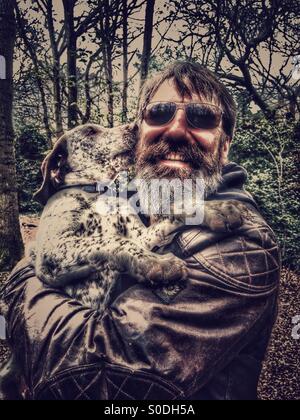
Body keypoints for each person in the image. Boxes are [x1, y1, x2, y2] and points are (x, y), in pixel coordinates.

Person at [0, 61, 280, 400]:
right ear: (140, 135)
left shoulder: (244, 245)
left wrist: (20, 286)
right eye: (158, 113)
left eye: (202, 117)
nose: (175, 130)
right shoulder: (123, 203)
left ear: (224, 148)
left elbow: (99, 382)